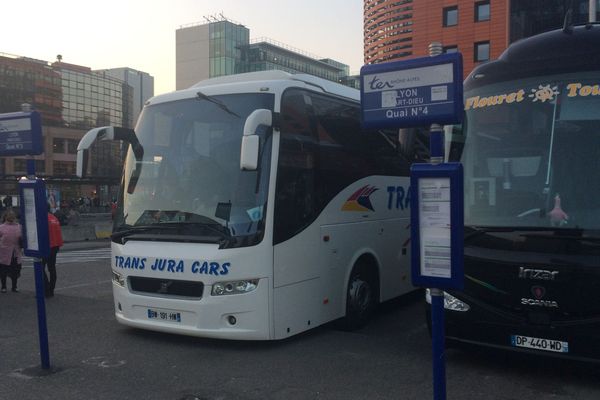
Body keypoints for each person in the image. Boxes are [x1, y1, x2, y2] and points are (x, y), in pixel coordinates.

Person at [42, 207, 64, 297]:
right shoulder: (54, 218)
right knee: (52, 268)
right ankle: (51, 290)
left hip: (46, 246)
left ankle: (46, 288)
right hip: (55, 245)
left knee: (40, 268)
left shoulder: (43, 218)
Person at [0, 210, 23, 293]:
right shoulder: (1, 227)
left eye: (12, 215)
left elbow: (22, 238)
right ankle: (3, 286)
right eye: (9, 215)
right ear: (5, 217)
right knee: (3, 271)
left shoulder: (19, 226)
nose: (11, 217)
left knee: (15, 271)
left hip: (16, 253)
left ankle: (14, 286)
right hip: (4, 253)